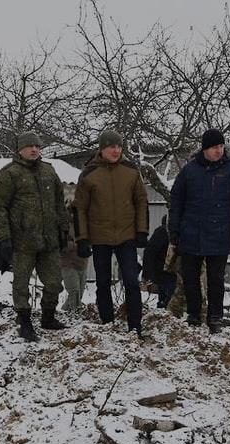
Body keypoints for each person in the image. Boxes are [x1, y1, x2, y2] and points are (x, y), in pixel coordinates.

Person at [168, 128, 230, 333]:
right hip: (191, 233)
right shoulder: (189, 171)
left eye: (221, 146)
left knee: (216, 279)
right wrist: (174, 230)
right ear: (205, 148)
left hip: (219, 234)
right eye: (215, 147)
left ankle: (215, 317)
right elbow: (177, 201)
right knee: (190, 277)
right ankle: (194, 315)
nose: (219, 150)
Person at [0, 130, 69, 342]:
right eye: (30, 146)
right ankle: (24, 323)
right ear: (20, 149)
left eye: (37, 146)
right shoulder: (9, 173)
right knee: (21, 285)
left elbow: (60, 203)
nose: (34, 149)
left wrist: (63, 229)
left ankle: (48, 317)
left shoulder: (49, 171)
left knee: (54, 282)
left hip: (49, 240)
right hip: (22, 241)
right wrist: (4, 238)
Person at [74, 129, 149, 337]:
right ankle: (107, 323)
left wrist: (142, 230)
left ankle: (135, 326)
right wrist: (82, 238)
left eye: (119, 146)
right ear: (102, 149)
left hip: (127, 235)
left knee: (132, 281)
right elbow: (79, 208)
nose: (116, 150)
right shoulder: (89, 174)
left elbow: (141, 201)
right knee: (103, 282)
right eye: (111, 147)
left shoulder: (131, 170)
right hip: (100, 237)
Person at [142, 215, 177, 308]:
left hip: (165, 272)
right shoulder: (163, 232)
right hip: (166, 273)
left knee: (166, 300)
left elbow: (149, 252)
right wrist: (147, 274)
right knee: (169, 299)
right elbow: (149, 252)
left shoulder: (163, 232)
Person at [60, 201, 88, 314]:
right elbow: (60, 243)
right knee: (74, 291)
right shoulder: (62, 224)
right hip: (67, 262)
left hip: (82, 262)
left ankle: (64, 313)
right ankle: (74, 315)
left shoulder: (84, 223)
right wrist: (76, 245)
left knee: (79, 293)